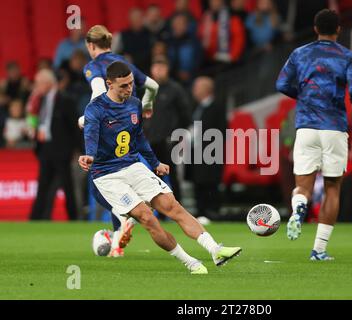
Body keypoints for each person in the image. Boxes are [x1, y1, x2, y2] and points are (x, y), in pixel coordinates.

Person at [78, 61, 241, 273]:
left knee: (173, 207)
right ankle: (190, 262)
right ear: (109, 84)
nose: (129, 89)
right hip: (108, 175)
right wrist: (89, 156)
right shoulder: (95, 109)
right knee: (147, 217)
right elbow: (90, 138)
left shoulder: (134, 103)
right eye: (123, 86)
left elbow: (139, 139)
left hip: (132, 166)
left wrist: (155, 164)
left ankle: (215, 250)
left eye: (130, 84)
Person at [276, 9, 352, 261]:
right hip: (333, 128)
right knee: (332, 188)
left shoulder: (299, 53)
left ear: (315, 28)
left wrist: (304, 96)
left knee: (302, 186)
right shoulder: (348, 56)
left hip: (305, 128)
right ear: (339, 30)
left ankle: (299, 207)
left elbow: (281, 84)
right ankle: (319, 250)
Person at [79, 25, 160, 255]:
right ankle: (117, 244)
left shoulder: (93, 67)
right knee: (129, 173)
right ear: (110, 44)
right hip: (131, 124)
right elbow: (152, 85)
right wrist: (147, 105)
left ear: (90, 45)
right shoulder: (124, 64)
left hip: (107, 127)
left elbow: (97, 94)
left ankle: (125, 215)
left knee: (99, 183)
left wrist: (86, 118)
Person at [29, 69, 80, 220]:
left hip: (62, 151)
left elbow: (74, 127)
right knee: (42, 187)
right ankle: (35, 219)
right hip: (45, 149)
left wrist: (78, 150)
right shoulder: (40, 100)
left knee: (68, 187)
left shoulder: (65, 100)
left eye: (38, 83)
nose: (36, 87)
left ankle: (73, 218)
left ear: (48, 83)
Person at [143, 55, 192, 202]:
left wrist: (177, 135)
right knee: (151, 177)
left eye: (162, 67)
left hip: (168, 141)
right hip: (149, 140)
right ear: (152, 70)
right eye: (156, 67)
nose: (158, 71)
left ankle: (177, 207)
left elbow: (186, 115)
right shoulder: (146, 89)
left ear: (167, 69)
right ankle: (159, 211)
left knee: (171, 175)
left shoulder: (175, 90)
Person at [189, 76, 226, 221]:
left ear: (206, 90)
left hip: (210, 152)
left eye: (197, 87)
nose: (194, 90)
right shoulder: (196, 107)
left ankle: (212, 211)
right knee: (197, 182)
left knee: (210, 182)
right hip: (196, 151)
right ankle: (200, 211)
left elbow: (221, 131)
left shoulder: (217, 107)